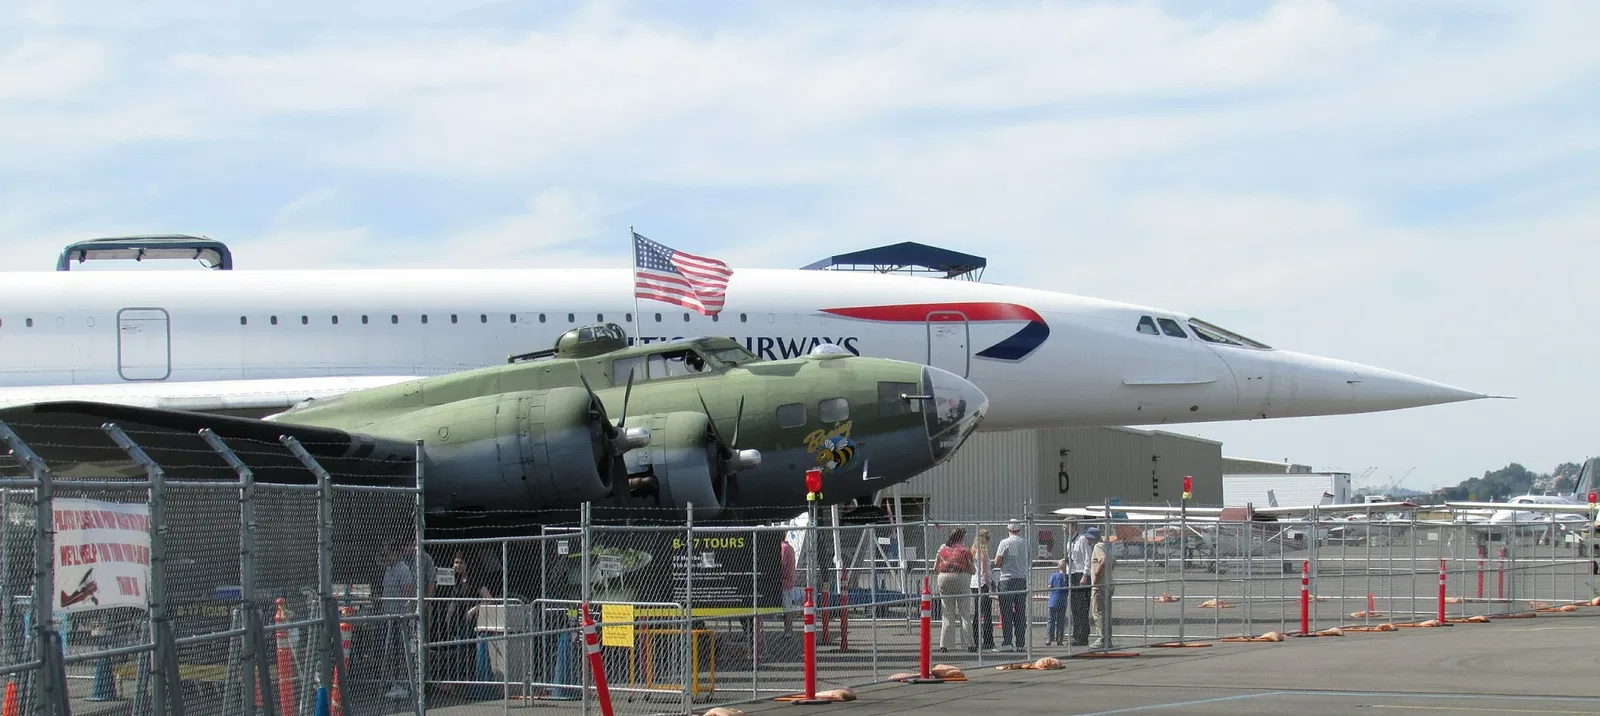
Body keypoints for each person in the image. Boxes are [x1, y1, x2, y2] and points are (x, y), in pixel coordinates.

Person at [933, 528, 975, 653]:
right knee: (964, 613)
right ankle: (968, 644)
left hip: (944, 579)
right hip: (960, 579)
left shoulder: (943, 550)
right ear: (961, 538)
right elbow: (972, 569)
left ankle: (945, 644)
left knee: (947, 613)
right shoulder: (965, 551)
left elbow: (935, 568)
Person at [991, 520, 1029, 651]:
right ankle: (1020, 643)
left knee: (1006, 612)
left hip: (1007, 579)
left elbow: (997, 562)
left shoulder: (1005, 542)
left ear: (1008, 529)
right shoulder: (1024, 542)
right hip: (1021, 579)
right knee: (1020, 612)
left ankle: (1007, 642)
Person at [1067, 525, 1098, 646]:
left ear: (1072, 527)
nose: (1063, 529)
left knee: (1081, 607)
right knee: (1074, 607)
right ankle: (1076, 635)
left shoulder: (1082, 540)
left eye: (1065, 526)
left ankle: (1082, 636)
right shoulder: (1069, 541)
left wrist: (1085, 575)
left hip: (1081, 574)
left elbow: (1087, 558)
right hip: (1072, 574)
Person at [969, 529, 995, 651]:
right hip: (982, 584)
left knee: (977, 613)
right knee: (987, 613)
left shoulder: (973, 551)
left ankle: (975, 639)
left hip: (974, 583)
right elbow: (984, 571)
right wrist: (989, 583)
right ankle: (988, 640)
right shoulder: (983, 552)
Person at [1090, 529, 1115, 648]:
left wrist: (1097, 578)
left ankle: (1102, 638)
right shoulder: (1107, 546)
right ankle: (1107, 638)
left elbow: (1104, 560)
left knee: (1098, 612)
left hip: (1101, 585)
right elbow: (1113, 562)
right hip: (1108, 583)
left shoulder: (1098, 546)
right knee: (1106, 612)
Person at [1046, 558, 1068, 646]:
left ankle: (1049, 639)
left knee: (1051, 620)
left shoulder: (1054, 575)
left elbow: (1049, 586)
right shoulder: (1067, 577)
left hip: (1053, 600)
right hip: (1062, 601)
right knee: (1061, 621)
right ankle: (1059, 639)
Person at [779, 538, 800, 633]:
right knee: (788, 607)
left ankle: (788, 630)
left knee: (787, 608)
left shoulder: (783, 548)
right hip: (790, 581)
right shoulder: (790, 548)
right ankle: (788, 629)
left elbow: (782, 564)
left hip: (785, 582)